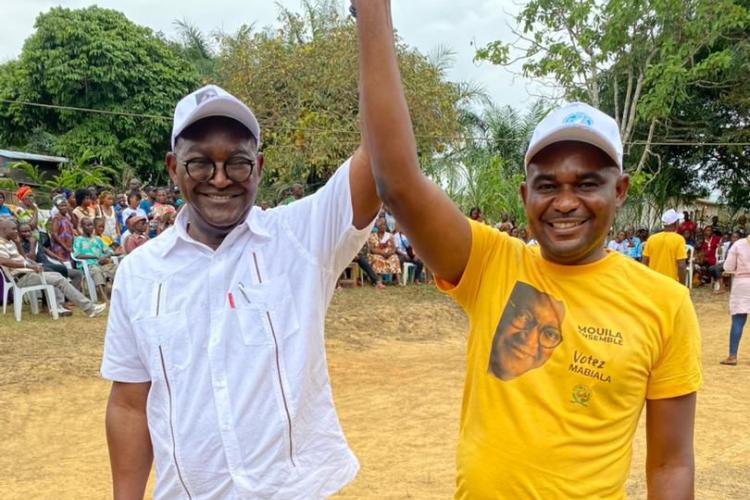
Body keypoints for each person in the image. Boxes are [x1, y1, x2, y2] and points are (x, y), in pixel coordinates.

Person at [354, 4, 700, 497]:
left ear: (619, 190)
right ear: (525, 195)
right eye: (546, 185)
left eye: (586, 183)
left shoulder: (666, 305)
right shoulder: (490, 263)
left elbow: (669, 464)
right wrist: (372, 12)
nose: (564, 202)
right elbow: (398, 183)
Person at [101, 83, 380, 499]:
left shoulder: (299, 238)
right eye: (199, 163)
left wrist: (373, 17)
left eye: (237, 163)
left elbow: (381, 154)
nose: (219, 179)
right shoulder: (139, 272)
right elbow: (129, 404)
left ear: (260, 166)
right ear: (172, 167)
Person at [0, 218, 105, 317]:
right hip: (22, 277)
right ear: (4, 230)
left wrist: (18, 245)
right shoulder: (1, 243)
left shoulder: (10, 242)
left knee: (57, 274)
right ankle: (89, 308)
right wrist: (28, 265)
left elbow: (23, 258)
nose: (16, 231)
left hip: (29, 274)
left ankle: (58, 307)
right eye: (13, 229)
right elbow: (2, 260)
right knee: (58, 279)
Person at [17, 222, 83, 290]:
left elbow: (46, 250)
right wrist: (32, 244)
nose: (27, 233)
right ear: (18, 233)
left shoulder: (34, 240)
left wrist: (58, 258)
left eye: (29, 231)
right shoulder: (20, 245)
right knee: (59, 271)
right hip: (41, 268)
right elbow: (31, 259)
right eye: (24, 232)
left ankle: (70, 297)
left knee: (77, 274)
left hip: (48, 264)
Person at [720, 233, 750, 365]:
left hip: (742, 283)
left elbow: (728, 267)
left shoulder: (738, 244)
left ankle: (732, 356)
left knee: (738, 320)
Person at [73, 217, 118, 296]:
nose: (91, 227)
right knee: (96, 270)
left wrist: (104, 257)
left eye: (91, 225)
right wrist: (94, 257)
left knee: (117, 267)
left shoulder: (97, 239)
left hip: (101, 264)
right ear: (82, 227)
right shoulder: (78, 240)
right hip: (88, 265)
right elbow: (77, 255)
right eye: (88, 225)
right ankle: (104, 297)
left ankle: (118, 293)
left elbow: (109, 251)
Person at [642, 210, 688, 283]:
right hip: (670, 283)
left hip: (653, 282)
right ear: (675, 223)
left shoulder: (651, 238)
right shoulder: (679, 239)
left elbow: (644, 262)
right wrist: (682, 285)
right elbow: (681, 265)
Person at [367, 216, 401, 285]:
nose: (383, 226)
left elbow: (394, 248)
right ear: (377, 226)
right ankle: (378, 281)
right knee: (377, 259)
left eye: (384, 224)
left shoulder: (389, 235)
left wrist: (390, 253)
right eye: (381, 224)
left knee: (395, 258)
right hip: (376, 254)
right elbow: (372, 249)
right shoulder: (372, 236)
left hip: (388, 255)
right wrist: (382, 253)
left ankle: (398, 281)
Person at [49, 195, 76, 263]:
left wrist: (71, 212)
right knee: (63, 264)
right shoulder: (57, 218)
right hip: (60, 247)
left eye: (65, 205)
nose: (64, 208)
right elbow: (54, 234)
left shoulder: (67, 217)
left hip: (68, 247)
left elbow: (75, 225)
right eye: (61, 206)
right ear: (57, 207)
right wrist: (65, 247)